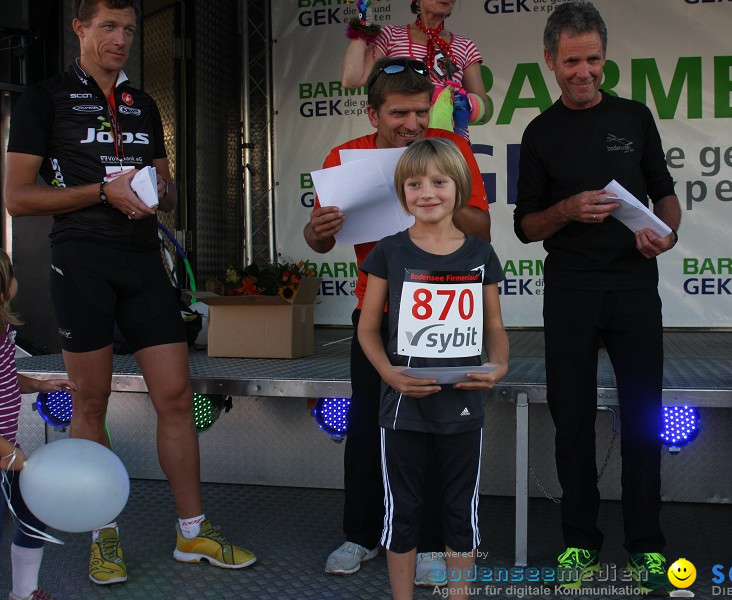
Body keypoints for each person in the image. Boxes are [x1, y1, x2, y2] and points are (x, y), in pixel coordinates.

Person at [3, 0, 255, 586]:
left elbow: (167, 192)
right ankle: (102, 536)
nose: (120, 39)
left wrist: (162, 188)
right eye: (108, 27)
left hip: (143, 262)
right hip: (81, 262)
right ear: (80, 28)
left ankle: (192, 533)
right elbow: (18, 196)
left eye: (128, 30)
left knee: (176, 394)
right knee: (90, 404)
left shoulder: (143, 103)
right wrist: (102, 191)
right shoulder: (44, 99)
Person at [512, 1, 680, 593]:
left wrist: (668, 232)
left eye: (593, 60)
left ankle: (646, 544)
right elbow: (525, 227)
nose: (583, 72)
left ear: (605, 58)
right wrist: (565, 209)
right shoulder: (539, 132)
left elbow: (664, 193)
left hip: (635, 287)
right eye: (571, 62)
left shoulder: (635, 117)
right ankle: (580, 543)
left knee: (642, 419)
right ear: (550, 62)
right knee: (572, 422)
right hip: (570, 293)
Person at [304, 56, 490, 585]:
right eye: (399, 114)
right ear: (373, 115)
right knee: (369, 427)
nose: (412, 124)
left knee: (436, 431)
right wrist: (319, 226)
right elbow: (317, 241)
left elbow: (483, 226)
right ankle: (361, 535)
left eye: (418, 112)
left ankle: (432, 544)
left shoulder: (448, 150)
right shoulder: (346, 157)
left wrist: (429, 201)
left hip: (444, 310)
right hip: (378, 312)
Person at [357, 137, 508, 600]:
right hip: (404, 406)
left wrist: (499, 366)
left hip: (463, 402)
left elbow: (495, 326)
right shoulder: (388, 251)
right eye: (414, 183)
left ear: (459, 187)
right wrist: (388, 374)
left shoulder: (479, 254)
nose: (427, 192)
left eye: (439, 182)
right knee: (402, 510)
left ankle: (458, 595)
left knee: (461, 512)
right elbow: (367, 329)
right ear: (402, 192)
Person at [0, 249, 76, 600]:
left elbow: (6, 378)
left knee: (33, 510)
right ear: (4, 290)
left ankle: (23, 591)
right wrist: (14, 457)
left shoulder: (2, 333)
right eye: (12, 274)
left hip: (6, 456)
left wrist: (41, 385)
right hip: (4, 455)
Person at [341, 0, 487, 139]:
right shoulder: (391, 35)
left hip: (449, 145)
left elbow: (484, 109)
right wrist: (363, 24)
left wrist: (466, 103)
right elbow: (352, 80)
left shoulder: (465, 46)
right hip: (403, 140)